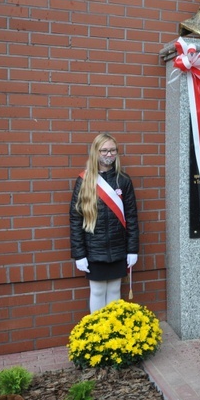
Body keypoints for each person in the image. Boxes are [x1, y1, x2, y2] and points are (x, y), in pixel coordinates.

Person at [70, 133, 139, 313]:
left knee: (115, 290)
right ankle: (98, 333)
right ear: (96, 152)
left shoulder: (123, 180)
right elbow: (76, 219)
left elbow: (131, 217)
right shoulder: (84, 180)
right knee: (98, 291)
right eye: (105, 150)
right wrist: (79, 254)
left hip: (118, 247)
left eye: (113, 150)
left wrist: (132, 249)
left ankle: (113, 333)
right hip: (94, 248)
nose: (109, 154)